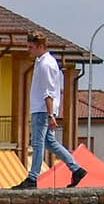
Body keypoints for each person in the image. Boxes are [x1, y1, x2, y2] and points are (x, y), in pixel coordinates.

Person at [16, 33, 87, 189]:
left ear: (40, 46)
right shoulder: (43, 61)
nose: (29, 50)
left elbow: (48, 91)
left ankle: (33, 178)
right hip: (43, 108)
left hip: (42, 109)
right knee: (50, 142)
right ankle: (76, 169)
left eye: (31, 47)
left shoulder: (45, 64)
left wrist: (50, 115)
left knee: (38, 143)